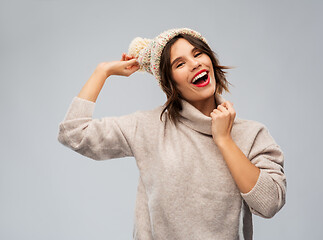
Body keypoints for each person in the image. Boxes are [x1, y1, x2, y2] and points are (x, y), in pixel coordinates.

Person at [58, 28, 286, 240]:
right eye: (180, 64)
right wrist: (103, 71)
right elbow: (74, 133)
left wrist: (224, 140)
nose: (195, 64)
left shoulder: (251, 134)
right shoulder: (148, 127)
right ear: (170, 84)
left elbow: (269, 204)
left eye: (198, 54)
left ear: (212, 61)